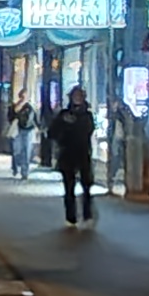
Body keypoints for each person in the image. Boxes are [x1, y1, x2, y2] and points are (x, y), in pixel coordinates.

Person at [46, 87, 98, 225]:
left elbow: (88, 131)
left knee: (86, 185)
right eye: (75, 96)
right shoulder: (63, 114)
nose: (77, 99)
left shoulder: (87, 115)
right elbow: (52, 132)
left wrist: (72, 124)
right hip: (67, 153)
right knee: (69, 187)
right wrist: (63, 127)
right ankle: (71, 217)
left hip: (83, 153)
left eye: (79, 96)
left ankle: (87, 214)